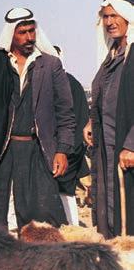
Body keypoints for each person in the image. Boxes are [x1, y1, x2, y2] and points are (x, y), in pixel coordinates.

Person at [0, 7, 75, 229]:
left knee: (43, 224)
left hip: (37, 152)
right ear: (11, 34)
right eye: (22, 32)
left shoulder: (50, 65)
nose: (29, 37)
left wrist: (62, 150)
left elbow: (65, 113)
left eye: (32, 31)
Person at [87, 0, 134, 237]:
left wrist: (132, 145)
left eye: (114, 15)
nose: (109, 22)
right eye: (105, 17)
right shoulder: (112, 55)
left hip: (127, 147)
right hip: (108, 148)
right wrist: (91, 121)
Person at [53, 46, 89, 226]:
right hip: (72, 147)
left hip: (66, 149)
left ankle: (71, 229)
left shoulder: (62, 82)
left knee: (64, 193)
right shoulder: (71, 81)